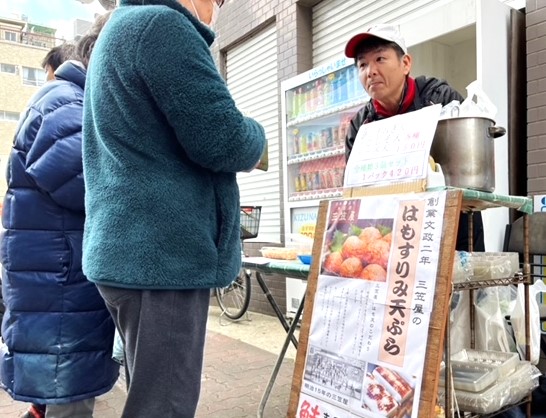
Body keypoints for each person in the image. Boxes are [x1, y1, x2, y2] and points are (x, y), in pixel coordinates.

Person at [81, 1, 266, 417]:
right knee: (164, 407)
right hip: (161, 257)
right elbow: (224, 138)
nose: (218, 7)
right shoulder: (161, 26)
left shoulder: (124, 26)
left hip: (130, 254)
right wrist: (258, 135)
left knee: (149, 397)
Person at [0, 12, 119, 418]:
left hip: (56, 278)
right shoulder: (65, 103)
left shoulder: (72, 101)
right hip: (60, 283)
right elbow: (87, 182)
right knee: (69, 395)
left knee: (59, 393)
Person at [343, 23, 485, 252]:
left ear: (405, 63)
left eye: (380, 59)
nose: (370, 71)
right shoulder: (360, 125)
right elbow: (353, 191)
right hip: (391, 238)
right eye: (362, 64)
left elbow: (469, 168)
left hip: (452, 228)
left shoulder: (441, 99)